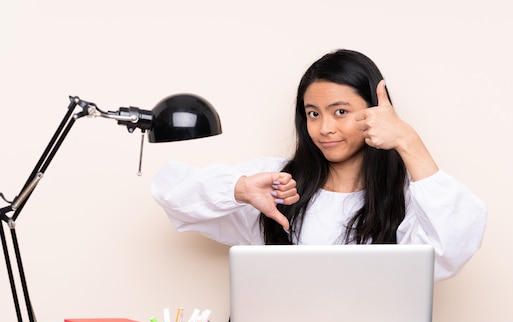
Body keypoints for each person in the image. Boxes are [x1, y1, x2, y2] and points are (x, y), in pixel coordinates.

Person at [151, 49, 487, 281]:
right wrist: (238, 189)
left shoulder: (409, 198)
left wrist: (408, 141)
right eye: (313, 113)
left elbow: (449, 253)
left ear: (374, 112)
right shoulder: (276, 184)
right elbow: (171, 193)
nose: (324, 128)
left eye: (340, 112)